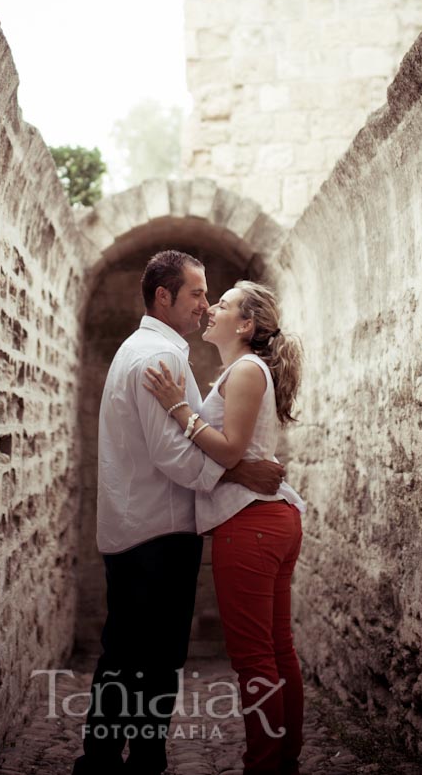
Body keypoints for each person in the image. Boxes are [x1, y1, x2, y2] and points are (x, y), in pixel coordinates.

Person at [73, 252, 286, 775]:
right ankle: (116, 764)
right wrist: (242, 474)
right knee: (146, 659)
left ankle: (125, 760)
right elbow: (172, 456)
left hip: (146, 527)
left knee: (134, 656)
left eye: (208, 293)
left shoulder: (154, 350)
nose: (205, 304)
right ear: (162, 297)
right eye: (196, 293)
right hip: (157, 531)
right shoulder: (156, 358)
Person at [143, 280, 306, 775]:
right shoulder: (243, 370)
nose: (212, 308)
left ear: (246, 324)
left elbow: (231, 450)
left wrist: (178, 409)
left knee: (257, 659)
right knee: (276, 651)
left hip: (252, 524)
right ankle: (283, 760)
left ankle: (264, 764)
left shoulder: (247, 371)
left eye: (225, 304)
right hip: (265, 519)